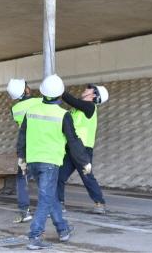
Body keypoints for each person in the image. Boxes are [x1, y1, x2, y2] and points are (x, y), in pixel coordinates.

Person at [17, 74, 92, 250]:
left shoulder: (31, 111)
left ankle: (63, 229)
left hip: (34, 161)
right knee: (45, 199)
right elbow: (73, 141)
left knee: (49, 196)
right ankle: (35, 236)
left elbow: (22, 136)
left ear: (42, 92)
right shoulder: (63, 115)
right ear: (60, 94)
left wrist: (21, 158)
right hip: (50, 162)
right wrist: (85, 162)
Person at [57, 84, 109, 214]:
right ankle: (59, 203)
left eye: (89, 89)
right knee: (59, 176)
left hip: (82, 150)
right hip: (70, 148)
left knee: (87, 176)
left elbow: (72, 100)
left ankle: (100, 203)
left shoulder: (90, 107)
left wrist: (59, 90)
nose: (86, 89)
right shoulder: (75, 110)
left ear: (94, 95)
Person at [7, 78, 41, 224]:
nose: (29, 87)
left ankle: (24, 211)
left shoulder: (15, 110)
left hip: (27, 147)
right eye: (27, 86)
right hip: (44, 145)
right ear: (25, 90)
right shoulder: (40, 102)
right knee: (45, 178)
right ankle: (48, 209)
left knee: (22, 178)